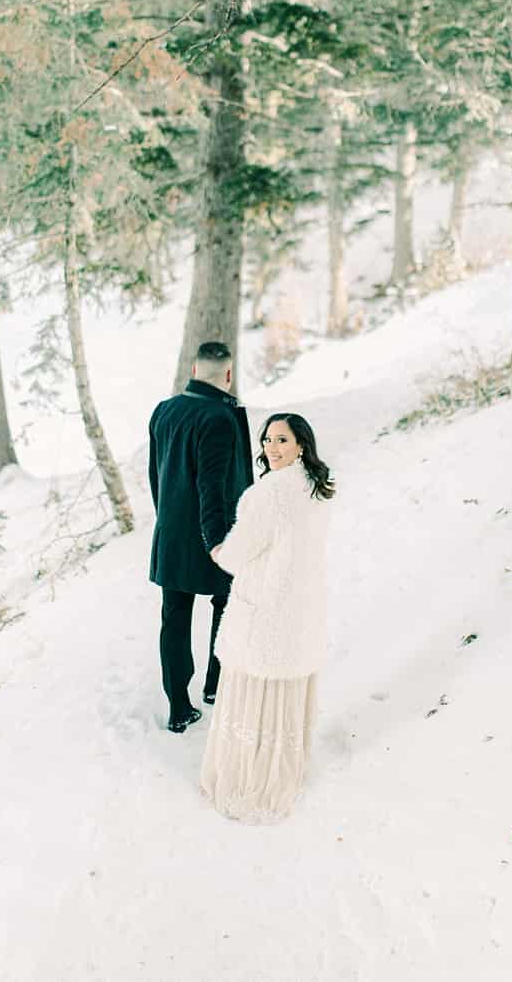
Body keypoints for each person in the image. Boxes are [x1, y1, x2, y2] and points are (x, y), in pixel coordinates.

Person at [200, 412, 335, 823]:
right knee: (283, 695)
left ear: (301, 445)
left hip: (266, 606)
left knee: (252, 690)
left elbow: (240, 552)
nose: (271, 449)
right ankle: (280, 771)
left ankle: (250, 778)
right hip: (301, 605)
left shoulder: (268, 494)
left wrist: (219, 553)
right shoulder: (319, 489)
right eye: (267, 440)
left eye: (281, 440)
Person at [147, 341, 254, 733]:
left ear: (194, 370)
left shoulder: (164, 410)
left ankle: (179, 708)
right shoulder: (219, 418)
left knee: (174, 619)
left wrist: (168, 521)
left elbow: (155, 477)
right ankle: (215, 686)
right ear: (228, 374)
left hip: (172, 535)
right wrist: (218, 543)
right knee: (225, 607)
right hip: (214, 537)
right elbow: (213, 487)